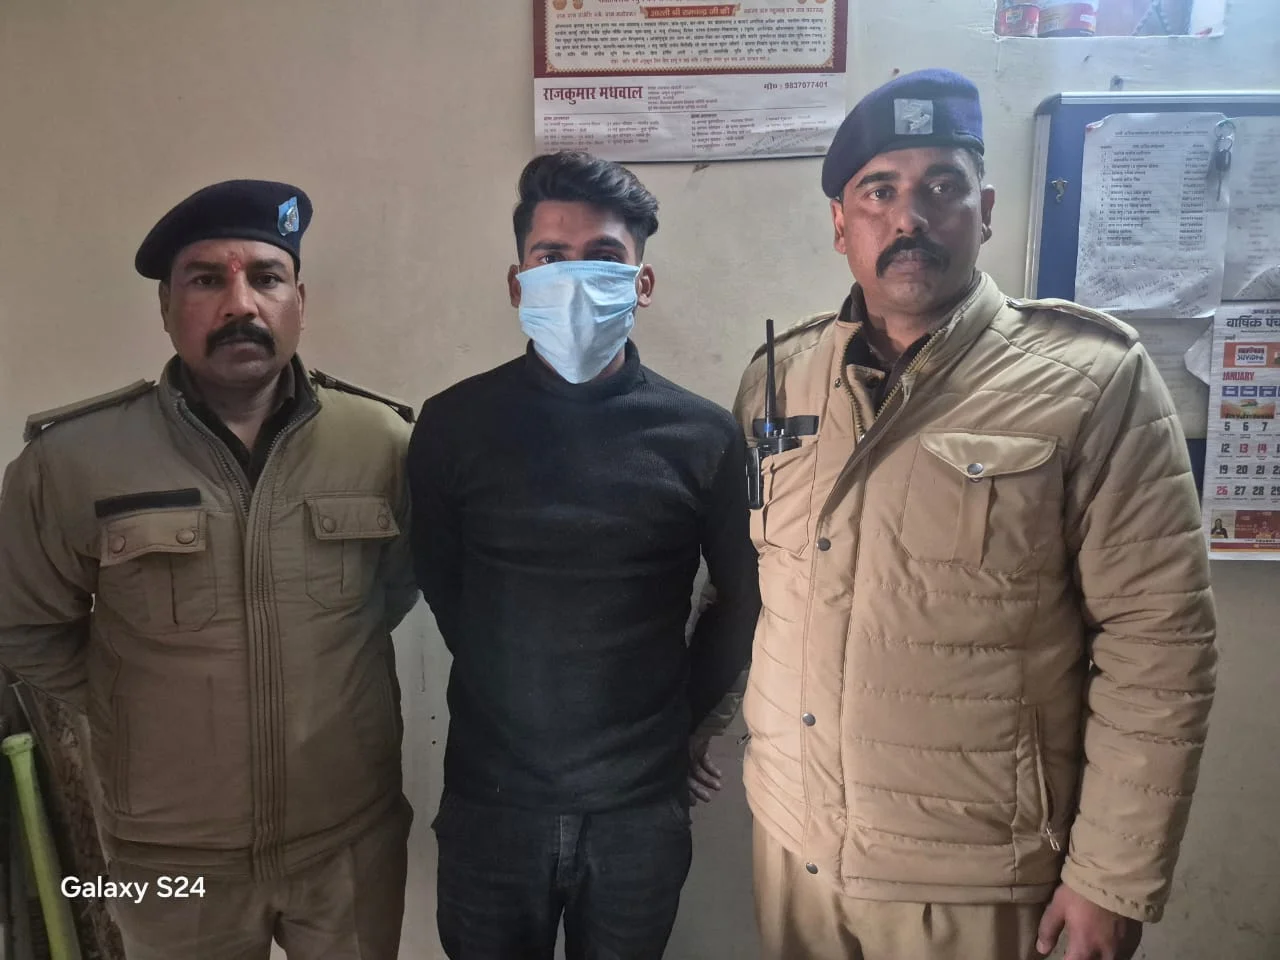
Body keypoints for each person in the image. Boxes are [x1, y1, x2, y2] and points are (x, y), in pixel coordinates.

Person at [733, 70, 1217, 960]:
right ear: (840, 222)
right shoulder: (780, 379)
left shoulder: (1091, 378)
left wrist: (1111, 877)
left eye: (942, 188)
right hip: (796, 852)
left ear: (985, 210)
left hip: (977, 876)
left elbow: (1160, 642)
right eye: (879, 192)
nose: (909, 218)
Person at [0, 180, 419, 960]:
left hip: (348, 838)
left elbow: (388, 595)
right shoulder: (71, 462)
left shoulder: (382, 444)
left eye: (266, 276)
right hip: (165, 855)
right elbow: (24, 627)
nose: (239, 304)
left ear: (300, 301)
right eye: (205, 280)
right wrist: (135, 707)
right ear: (167, 307)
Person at [408, 151, 760, 960]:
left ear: (642, 282)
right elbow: (443, 583)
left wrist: (682, 724)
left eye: (602, 257)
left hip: (640, 808)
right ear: (517, 283)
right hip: (492, 802)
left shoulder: (703, 435)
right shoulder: (453, 424)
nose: (573, 280)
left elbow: (741, 597)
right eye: (550, 257)